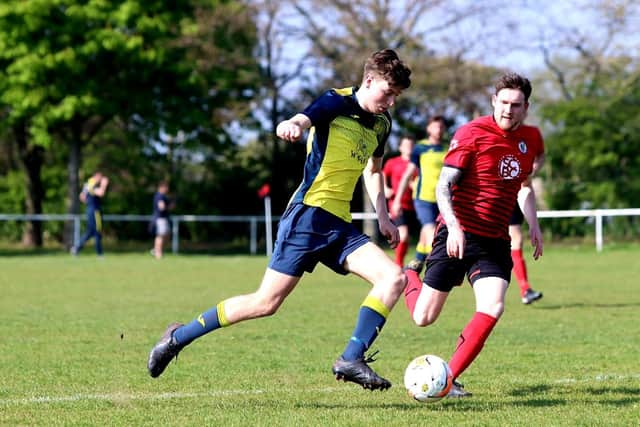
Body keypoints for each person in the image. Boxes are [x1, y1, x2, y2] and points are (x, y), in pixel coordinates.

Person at [147, 48, 412, 391]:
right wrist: (292, 124)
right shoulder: (336, 102)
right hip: (308, 217)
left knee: (393, 278)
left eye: (396, 96)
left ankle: (351, 358)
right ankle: (177, 338)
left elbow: (374, 171)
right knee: (265, 303)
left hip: (339, 225)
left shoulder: (382, 124)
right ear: (370, 80)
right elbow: (305, 118)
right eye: (387, 92)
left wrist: (384, 216)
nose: (390, 101)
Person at [403, 72, 545, 397]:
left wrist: (533, 223)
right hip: (459, 232)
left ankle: (447, 379)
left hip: (494, 241)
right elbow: (444, 185)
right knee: (423, 317)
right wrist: (453, 228)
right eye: (504, 102)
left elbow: (523, 187)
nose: (508, 110)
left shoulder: (531, 140)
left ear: (526, 107)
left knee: (493, 306)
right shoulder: (472, 133)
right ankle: (408, 276)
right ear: (494, 101)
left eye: (516, 105)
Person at [391, 116, 447, 273]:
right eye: (436, 127)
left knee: (428, 231)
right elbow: (407, 175)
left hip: (442, 200)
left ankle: (416, 263)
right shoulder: (420, 148)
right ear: (429, 129)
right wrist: (397, 200)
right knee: (430, 229)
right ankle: (436, 266)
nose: (439, 130)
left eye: (441, 127)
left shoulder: (447, 149)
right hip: (423, 198)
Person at [382, 135, 418, 266]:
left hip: (414, 205)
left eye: (411, 146)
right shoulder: (393, 162)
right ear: (400, 147)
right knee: (404, 234)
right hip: (397, 204)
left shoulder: (417, 164)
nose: (409, 148)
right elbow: (381, 175)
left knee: (411, 238)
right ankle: (398, 265)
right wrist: (385, 188)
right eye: (406, 145)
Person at [510, 182, 544, 305]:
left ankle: (525, 289)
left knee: (516, 240)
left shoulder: (531, 164)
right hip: (502, 194)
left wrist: (534, 224)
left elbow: (527, 185)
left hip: (517, 195)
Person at [70, 171, 109, 256]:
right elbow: (101, 193)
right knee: (97, 231)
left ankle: (76, 248)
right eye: (100, 177)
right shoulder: (92, 183)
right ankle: (99, 253)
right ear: (97, 176)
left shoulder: (87, 184)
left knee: (91, 231)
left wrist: (89, 202)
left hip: (90, 210)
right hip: (95, 212)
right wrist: (104, 184)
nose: (100, 179)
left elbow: (82, 196)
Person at [149, 181, 173, 259]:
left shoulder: (163, 196)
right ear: (161, 187)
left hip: (164, 218)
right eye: (166, 187)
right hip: (160, 219)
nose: (167, 189)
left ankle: (156, 250)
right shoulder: (159, 196)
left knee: (167, 235)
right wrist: (168, 207)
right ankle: (158, 254)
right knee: (160, 236)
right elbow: (161, 207)